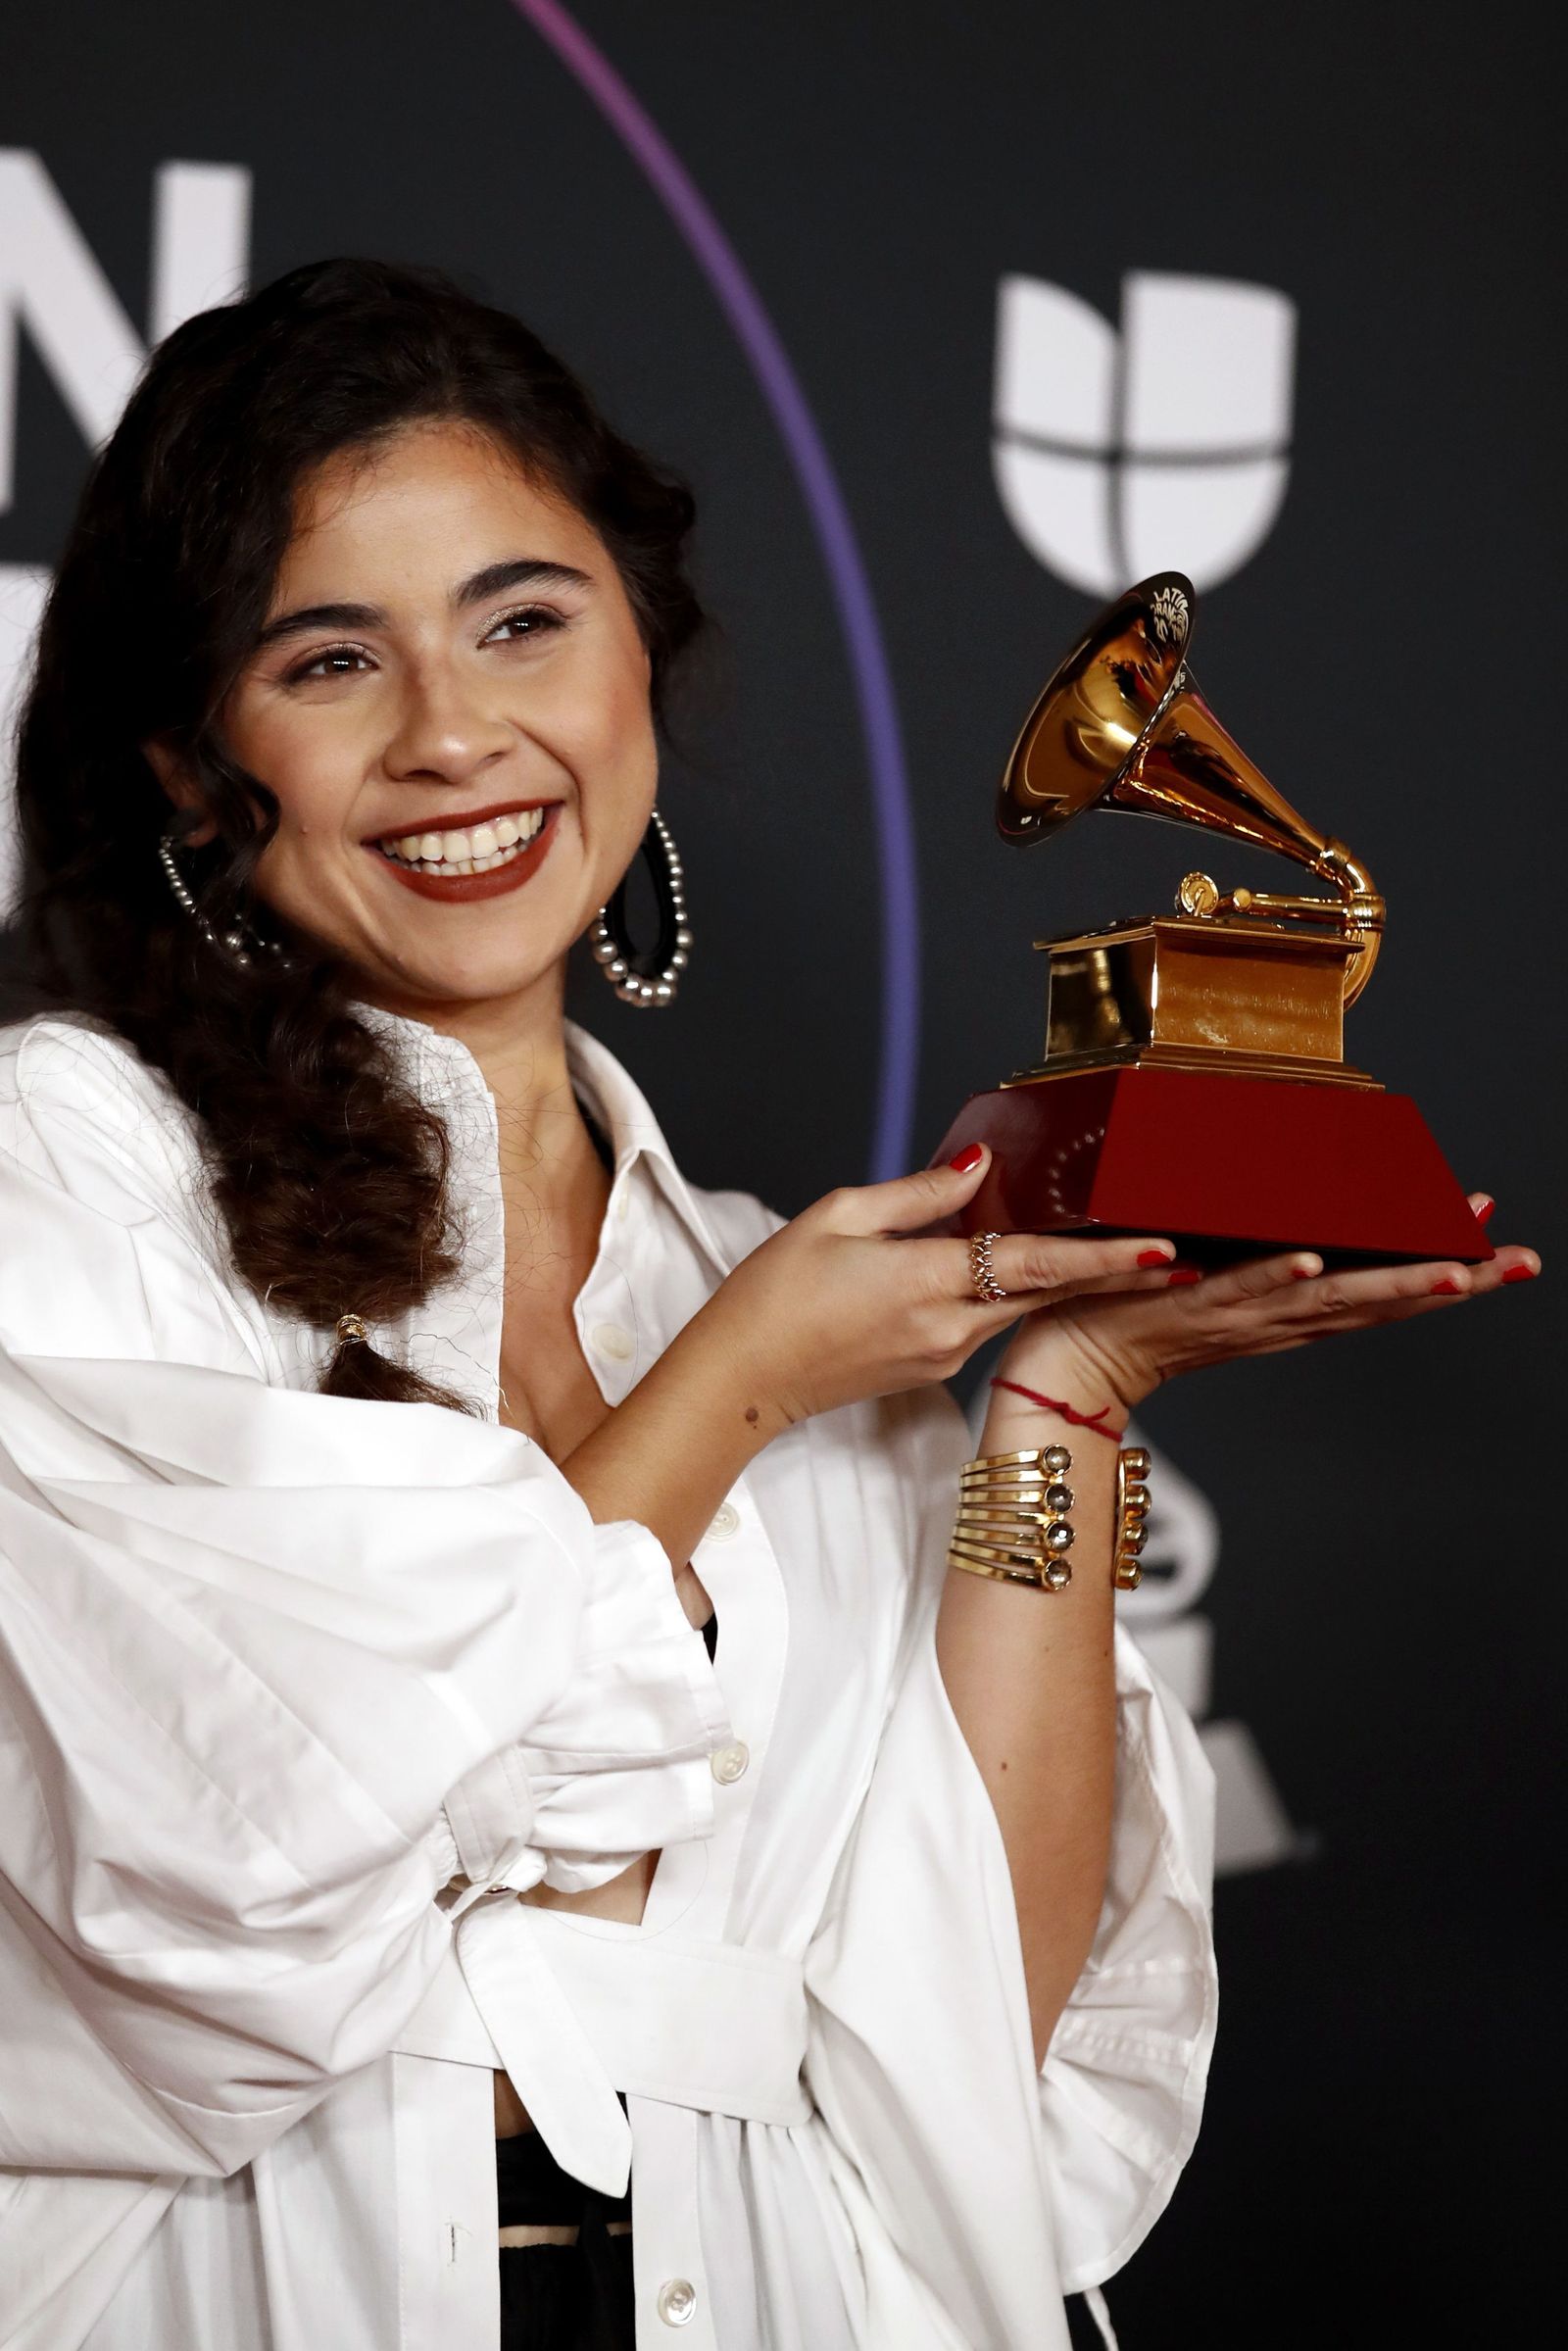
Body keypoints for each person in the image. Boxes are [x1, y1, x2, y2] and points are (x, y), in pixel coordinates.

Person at [0, 260, 1534, 2351]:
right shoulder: (73, 1174)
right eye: (331, 658)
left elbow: (967, 2015)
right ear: (193, 766)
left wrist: (1063, 1401)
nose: (456, 733)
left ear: (641, 656)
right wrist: (731, 1397)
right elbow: (214, 1894)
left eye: (522, 620)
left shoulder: (756, 1268)